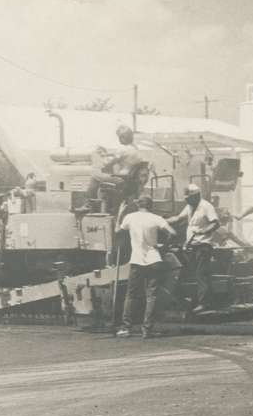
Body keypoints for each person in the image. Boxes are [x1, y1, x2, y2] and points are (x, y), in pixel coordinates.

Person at [117, 195, 176, 338]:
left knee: (131, 295)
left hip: (137, 260)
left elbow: (117, 231)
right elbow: (173, 233)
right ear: (151, 206)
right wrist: (163, 246)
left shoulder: (130, 217)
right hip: (154, 259)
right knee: (151, 295)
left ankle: (126, 328)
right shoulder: (156, 218)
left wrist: (120, 213)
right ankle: (147, 329)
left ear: (139, 205)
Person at [167, 183, 220, 313]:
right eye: (186, 199)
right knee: (193, 273)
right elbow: (179, 218)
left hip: (203, 245)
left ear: (196, 196)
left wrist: (204, 231)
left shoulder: (206, 206)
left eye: (189, 198)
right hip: (192, 245)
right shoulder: (190, 206)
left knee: (201, 274)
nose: (187, 201)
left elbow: (216, 223)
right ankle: (195, 300)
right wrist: (163, 221)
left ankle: (204, 303)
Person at [73, 125, 144, 214]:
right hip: (131, 181)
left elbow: (106, 164)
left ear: (122, 138)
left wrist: (98, 156)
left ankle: (88, 205)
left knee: (95, 175)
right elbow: (119, 157)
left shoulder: (122, 149)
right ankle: (93, 205)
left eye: (119, 137)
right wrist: (107, 154)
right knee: (102, 176)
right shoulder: (135, 149)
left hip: (121, 180)